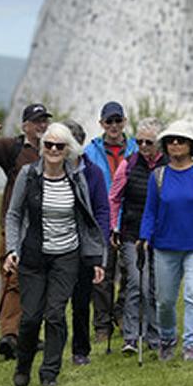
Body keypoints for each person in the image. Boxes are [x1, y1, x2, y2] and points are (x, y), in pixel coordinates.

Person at [3, 122, 106, 386]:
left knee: (56, 314)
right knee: (30, 317)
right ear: (41, 147)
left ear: (68, 149)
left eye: (59, 146)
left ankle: (49, 372)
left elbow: (87, 220)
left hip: (66, 257)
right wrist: (12, 250)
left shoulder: (76, 178)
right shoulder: (28, 175)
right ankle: (23, 365)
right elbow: (14, 215)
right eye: (48, 144)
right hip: (34, 257)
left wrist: (95, 258)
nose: (53, 150)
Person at [0, 102, 52, 360]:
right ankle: (9, 336)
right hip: (14, 226)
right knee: (12, 279)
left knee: (38, 281)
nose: (42, 125)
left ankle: (28, 335)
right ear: (25, 125)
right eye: (37, 121)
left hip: (43, 228)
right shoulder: (13, 148)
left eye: (44, 120)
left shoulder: (53, 149)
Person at [139, 120, 193, 362]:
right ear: (165, 146)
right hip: (165, 246)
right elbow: (150, 212)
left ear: (191, 145)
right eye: (170, 140)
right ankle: (167, 338)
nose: (175, 144)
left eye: (181, 140)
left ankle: (191, 345)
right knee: (165, 301)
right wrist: (144, 237)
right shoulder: (158, 176)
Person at [108, 117, 167, 354]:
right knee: (137, 283)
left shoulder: (169, 166)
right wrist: (114, 227)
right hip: (132, 234)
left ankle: (154, 335)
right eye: (139, 141)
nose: (143, 147)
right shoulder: (128, 165)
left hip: (161, 236)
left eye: (148, 142)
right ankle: (131, 336)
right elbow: (114, 197)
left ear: (159, 143)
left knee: (155, 287)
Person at [84, 101, 138, 342]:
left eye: (118, 121)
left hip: (130, 218)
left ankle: (122, 311)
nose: (114, 126)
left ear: (124, 122)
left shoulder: (137, 148)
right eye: (109, 121)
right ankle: (102, 325)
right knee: (102, 275)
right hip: (102, 220)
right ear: (101, 124)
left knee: (131, 271)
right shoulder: (90, 152)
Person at [61, 119, 111, 366]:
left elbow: (102, 210)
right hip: (56, 243)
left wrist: (99, 246)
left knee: (81, 302)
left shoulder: (93, 173)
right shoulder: (47, 171)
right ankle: (53, 350)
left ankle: (80, 350)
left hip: (83, 245)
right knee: (54, 303)